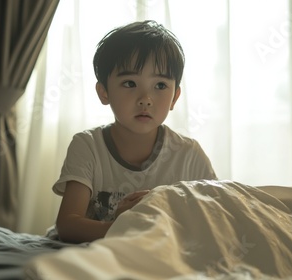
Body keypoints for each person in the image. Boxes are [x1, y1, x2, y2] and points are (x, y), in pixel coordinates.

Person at [53, 20, 217, 244]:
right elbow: (67, 226)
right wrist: (121, 227)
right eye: (130, 83)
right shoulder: (88, 146)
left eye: (160, 86)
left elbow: (214, 219)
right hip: (96, 258)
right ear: (104, 93)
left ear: (174, 97)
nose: (145, 100)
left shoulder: (188, 154)